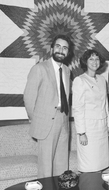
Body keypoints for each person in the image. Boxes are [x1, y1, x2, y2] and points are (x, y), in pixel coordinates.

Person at [24, 34, 74, 178]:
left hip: (63, 120)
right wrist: (36, 120)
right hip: (46, 122)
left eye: (65, 48)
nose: (61, 50)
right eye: (58, 46)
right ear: (51, 48)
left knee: (62, 165)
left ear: (68, 52)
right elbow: (28, 97)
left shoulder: (67, 71)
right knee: (46, 167)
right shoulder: (39, 68)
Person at [72, 50, 109, 173]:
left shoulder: (102, 80)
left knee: (99, 164)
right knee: (88, 165)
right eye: (91, 59)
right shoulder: (80, 80)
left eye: (97, 59)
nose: (95, 62)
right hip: (89, 129)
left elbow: (105, 103)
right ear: (85, 62)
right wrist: (81, 133)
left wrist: (108, 125)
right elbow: (77, 108)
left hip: (102, 128)